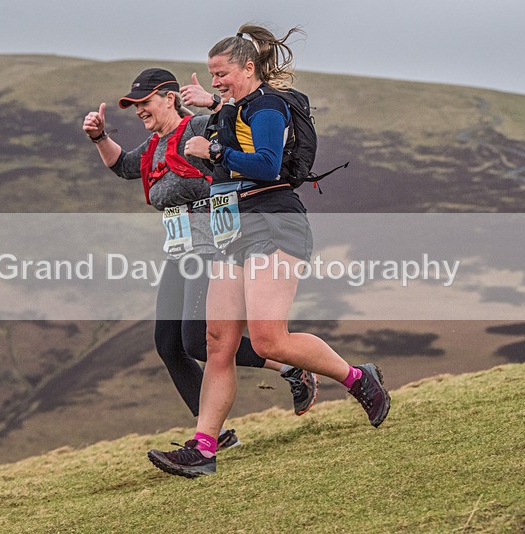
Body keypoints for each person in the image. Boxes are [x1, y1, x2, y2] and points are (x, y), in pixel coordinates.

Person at [147, 25, 391, 478]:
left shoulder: (268, 106)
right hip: (233, 232)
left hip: (274, 224)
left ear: (248, 67)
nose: (215, 80)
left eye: (221, 74)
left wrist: (211, 147)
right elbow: (230, 141)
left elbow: (265, 163)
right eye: (211, 74)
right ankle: (204, 448)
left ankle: (358, 378)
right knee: (216, 343)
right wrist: (214, 107)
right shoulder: (234, 108)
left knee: (267, 340)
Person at [83, 68, 318, 449]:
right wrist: (99, 136)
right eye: (134, 105)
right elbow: (124, 166)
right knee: (168, 344)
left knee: (196, 342)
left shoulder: (200, 126)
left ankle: (291, 366)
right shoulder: (156, 145)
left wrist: (216, 100)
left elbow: (236, 125)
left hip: (214, 246)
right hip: (180, 250)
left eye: (145, 102)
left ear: (169, 98)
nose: (139, 110)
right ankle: (216, 435)